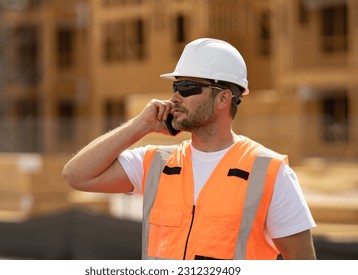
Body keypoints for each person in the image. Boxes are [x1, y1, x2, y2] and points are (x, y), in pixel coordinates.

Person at [62, 38, 316, 260]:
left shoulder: (270, 172)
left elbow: (302, 262)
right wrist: (141, 126)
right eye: (175, 87)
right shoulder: (156, 163)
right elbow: (77, 175)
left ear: (223, 98)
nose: (175, 97)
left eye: (187, 88)